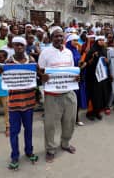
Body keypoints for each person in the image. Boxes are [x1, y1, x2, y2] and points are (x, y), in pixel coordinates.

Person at [38, 27, 78, 163]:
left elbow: (71, 71)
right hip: (52, 95)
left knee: (70, 121)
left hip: (68, 93)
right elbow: (40, 70)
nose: (59, 39)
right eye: (56, 36)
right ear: (50, 38)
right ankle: (50, 149)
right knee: (50, 124)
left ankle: (65, 143)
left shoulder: (68, 52)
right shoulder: (45, 52)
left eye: (61, 36)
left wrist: (76, 78)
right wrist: (42, 77)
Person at [0, 36, 38, 169]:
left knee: (29, 130)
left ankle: (29, 151)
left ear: (25, 46)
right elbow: (4, 81)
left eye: (21, 45)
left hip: (28, 103)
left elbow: (36, 78)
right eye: (16, 45)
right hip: (14, 104)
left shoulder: (32, 61)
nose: (19, 47)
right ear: (13, 46)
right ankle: (15, 156)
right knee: (14, 132)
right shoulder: (8, 62)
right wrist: (2, 73)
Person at [85, 35, 111, 119]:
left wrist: (107, 62)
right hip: (93, 77)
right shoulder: (92, 50)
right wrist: (93, 56)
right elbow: (87, 63)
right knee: (93, 95)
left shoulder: (104, 50)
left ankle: (97, 112)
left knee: (100, 95)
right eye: (99, 40)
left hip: (102, 77)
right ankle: (90, 113)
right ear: (96, 41)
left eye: (102, 40)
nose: (101, 41)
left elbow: (106, 62)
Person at [65, 34, 86, 126]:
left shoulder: (76, 50)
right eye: (74, 40)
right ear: (69, 42)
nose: (76, 42)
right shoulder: (66, 52)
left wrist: (82, 65)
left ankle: (76, 118)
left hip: (77, 78)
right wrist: (79, 67)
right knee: (69, 100)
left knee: (76, 99)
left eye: (77, 40)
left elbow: (77, 63)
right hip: (69, 79)